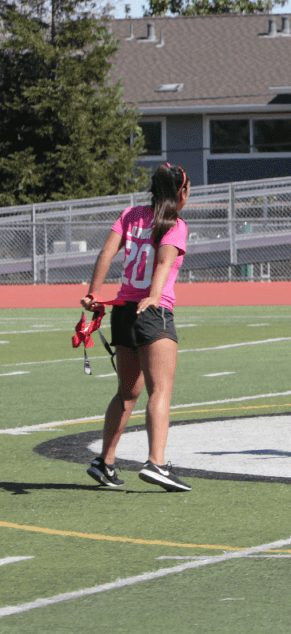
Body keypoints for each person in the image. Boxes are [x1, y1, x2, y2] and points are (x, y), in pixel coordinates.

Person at [79, 163, 194, 492]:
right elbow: (164, 261)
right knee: (160, 390)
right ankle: (156, 463)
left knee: (127, 392)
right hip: (153, 312)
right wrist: (155, 296)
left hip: (123, 311)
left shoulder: (131, 215)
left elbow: (106, 252)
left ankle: (105, 462)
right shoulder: (175, 224)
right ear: (181, 192)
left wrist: (93, 293)